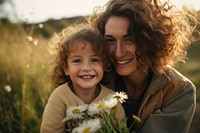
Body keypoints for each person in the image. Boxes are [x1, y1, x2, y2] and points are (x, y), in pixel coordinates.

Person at [91, 0, 198, 132]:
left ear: (151, 40)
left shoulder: (179, 90)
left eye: (129, 40)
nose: (118, 53)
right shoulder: (93, 80)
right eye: (110, 40)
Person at [40, 23, 125, 133]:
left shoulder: (112, 100)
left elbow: (121, 129)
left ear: (104, 66)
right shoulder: (60, 97)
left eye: (94, 60)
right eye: (77, 61)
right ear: (66, 68)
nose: (86, 68)